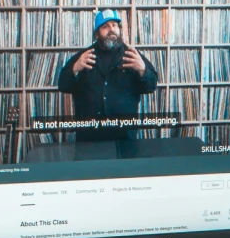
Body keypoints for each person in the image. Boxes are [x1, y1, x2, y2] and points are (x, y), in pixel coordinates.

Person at [56, 8, 159, 155]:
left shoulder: (132, 55)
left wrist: (143, 70)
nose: (111, 29)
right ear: (97, 34)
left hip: (124, 139)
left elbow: (151, 86)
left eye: (114, 25)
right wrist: (75, 68)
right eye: (105, 26)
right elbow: (63, 85)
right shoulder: (84, 56)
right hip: (89, 141)